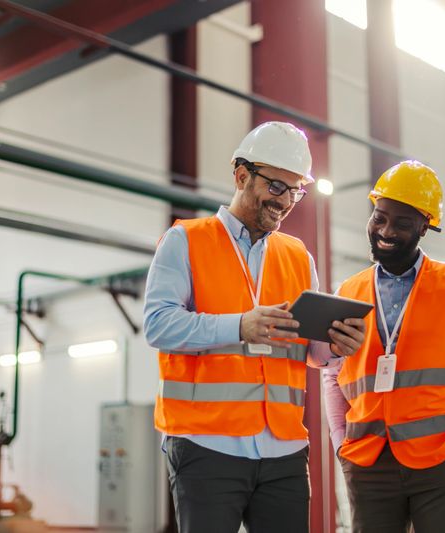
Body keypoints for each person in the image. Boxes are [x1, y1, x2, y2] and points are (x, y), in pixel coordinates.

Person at [143, 121, 365, 533]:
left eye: (296, 191)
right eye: (277, 187)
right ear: (242, 175)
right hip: (206, 444)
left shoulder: (298, 255)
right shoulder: (185, 240)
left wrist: (335, 345)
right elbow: (158, 325)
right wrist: (239, 327)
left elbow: (311, 351)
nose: (285, 201)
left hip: (283, 447)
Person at [322, 160, 445, 533]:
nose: (386, 231)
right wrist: (341, 442)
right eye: (379, 217)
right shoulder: (348, 292)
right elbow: (333, 373)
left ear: (425, 226)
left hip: (442, 460)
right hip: (367, 461)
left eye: (402, 223)